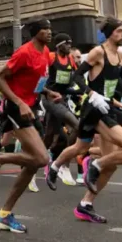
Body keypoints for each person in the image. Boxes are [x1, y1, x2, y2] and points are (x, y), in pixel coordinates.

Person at [57, 18, 122, 223]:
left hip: (111, 106)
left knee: (118, 156)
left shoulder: (121, 55)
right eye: (119, 31)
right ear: (110, 34)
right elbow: (77, 77)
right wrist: (91, 94)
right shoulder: (97, 52)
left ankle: (86, 204)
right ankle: (87, 164)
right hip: (96, 108)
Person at [0, 19, 57, 233]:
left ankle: (4, 215)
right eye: (45, 29)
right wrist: (20, 102)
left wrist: (46, 92)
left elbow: (33, 81)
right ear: (35, 33)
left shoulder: (44, 52)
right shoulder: (24, 52)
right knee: (42, 158)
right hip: (16, 109)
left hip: (30, 107)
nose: (49, 32)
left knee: (32, 164)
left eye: (50, 29)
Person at [41, 33, 82, 190]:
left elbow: (73, 81)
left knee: (49, 136)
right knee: (77, 126)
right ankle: (63, 165)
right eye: (67, 43)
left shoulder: (71, 60)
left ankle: (32, 163)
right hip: (50, 99)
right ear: (59, 45)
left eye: (71, 43)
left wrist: (79, 93)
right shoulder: (51, 57)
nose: (70, 46)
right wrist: (42, 92)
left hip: (62, 98)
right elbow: (39, 78)